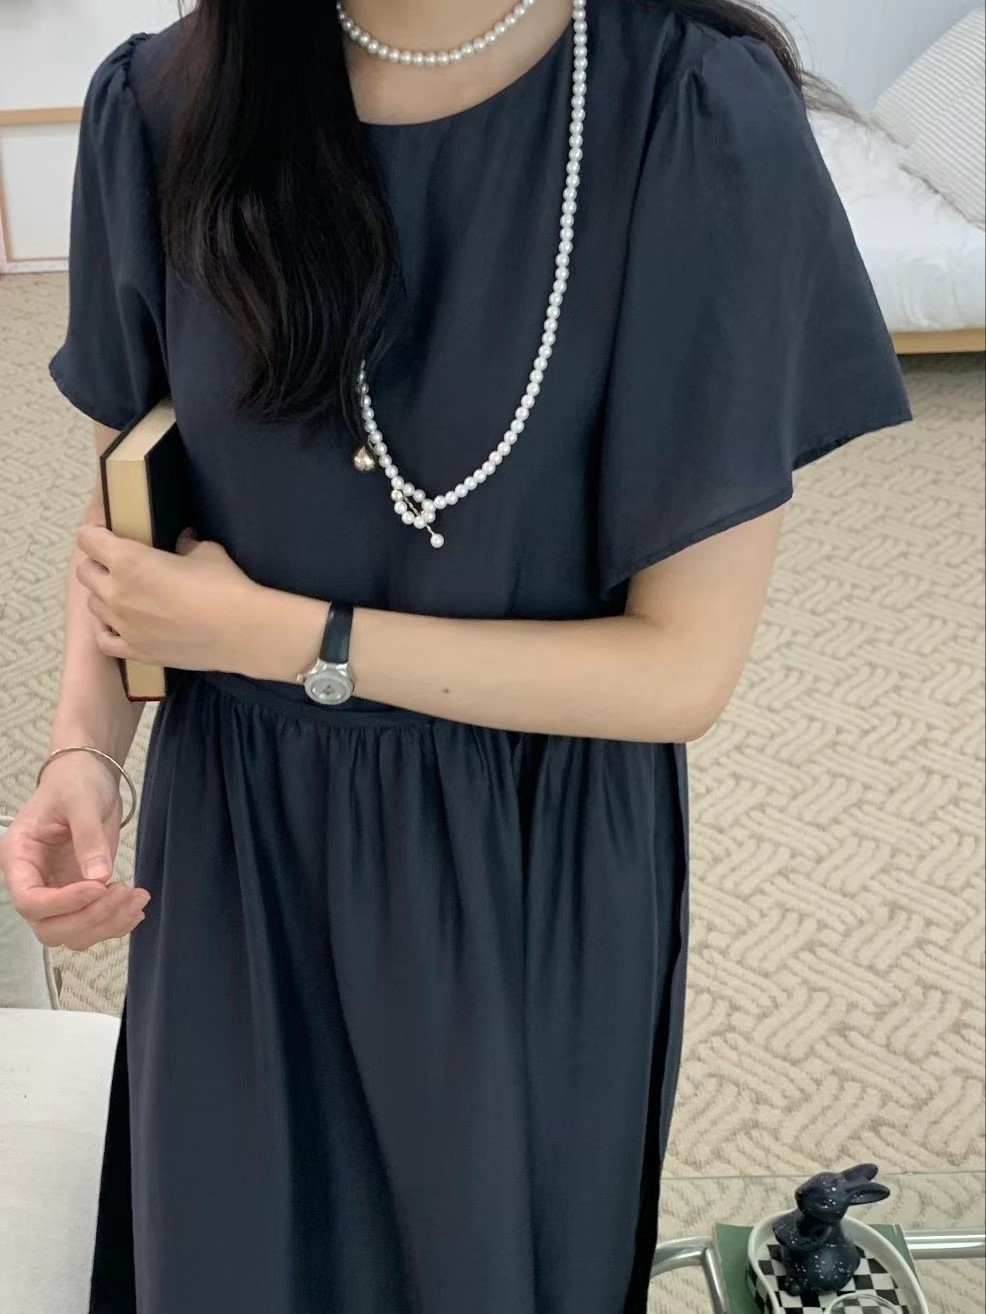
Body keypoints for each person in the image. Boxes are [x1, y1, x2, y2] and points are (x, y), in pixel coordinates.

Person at [0, 0, 913, 1310]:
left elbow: (679, 672)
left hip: (523, 860)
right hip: (241, 856)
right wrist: (81, 750)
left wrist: (292, 641)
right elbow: (127, 518)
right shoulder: (167, 101)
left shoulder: (691, 117)